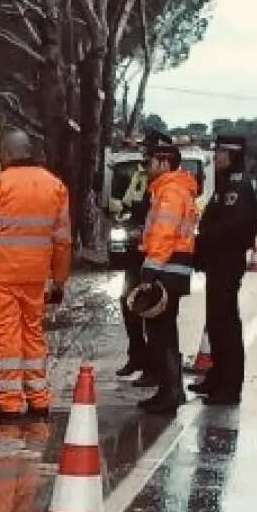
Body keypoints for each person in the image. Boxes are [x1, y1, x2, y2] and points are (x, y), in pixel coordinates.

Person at [0, 130, 72, 421]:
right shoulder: (56, 187)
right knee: (33, 334)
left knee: (6, 338)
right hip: (36, 277)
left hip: (1, 276)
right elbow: (63, 240)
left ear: (9, 155)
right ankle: (39, 399)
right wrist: (59, 280)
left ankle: (10, 403)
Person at [135, 133, 200, 415]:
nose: (146, 167)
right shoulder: (175, 188)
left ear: (163, 162)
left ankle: (171, 391)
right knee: (164, 332)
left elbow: (163, 232)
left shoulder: (170, 191)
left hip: (165, 267)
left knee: (161, 333)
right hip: (173, 267)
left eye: (149, 161)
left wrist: (150, 270)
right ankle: (169, 389)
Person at [192, 135, 257, 406]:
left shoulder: (238, 187)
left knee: (226, 324)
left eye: (219, 153)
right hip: (216, 261)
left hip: (227, 262)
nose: (215, 158)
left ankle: (229, 387)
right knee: (216, 323)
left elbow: (233, 227)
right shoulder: (224, 185)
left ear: (232, 155)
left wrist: (203, 240)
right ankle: (217, 376)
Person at [112, 162, 152, 380]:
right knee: (128, 304)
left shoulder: (162, 181)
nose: (146, 158)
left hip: (151, 253)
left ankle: (151, 365)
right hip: (134, 251)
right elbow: (128, 204)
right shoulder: (140, 175)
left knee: (149, 308)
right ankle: (136, 356)